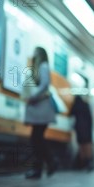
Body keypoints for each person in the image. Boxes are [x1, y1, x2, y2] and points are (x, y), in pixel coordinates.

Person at [23, 47, 57, 179]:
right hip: (40, 108)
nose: (33, 54)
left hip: (41, 108)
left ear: (40, 54)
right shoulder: (41, 67)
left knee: (36, 139)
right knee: (37, 138)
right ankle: (47, 164)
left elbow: (44, 85)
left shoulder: (43, 66)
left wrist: (32, 96)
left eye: (35, 52)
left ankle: (43, 166)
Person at [69, 95, 93, 170]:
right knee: (87, 145)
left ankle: (83, 163)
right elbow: (90, 118)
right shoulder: (86, 105)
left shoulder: (76, 106)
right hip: (87, 128)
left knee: (81, 146)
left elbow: (70, 114)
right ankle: (89, 162)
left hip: (79, 128)